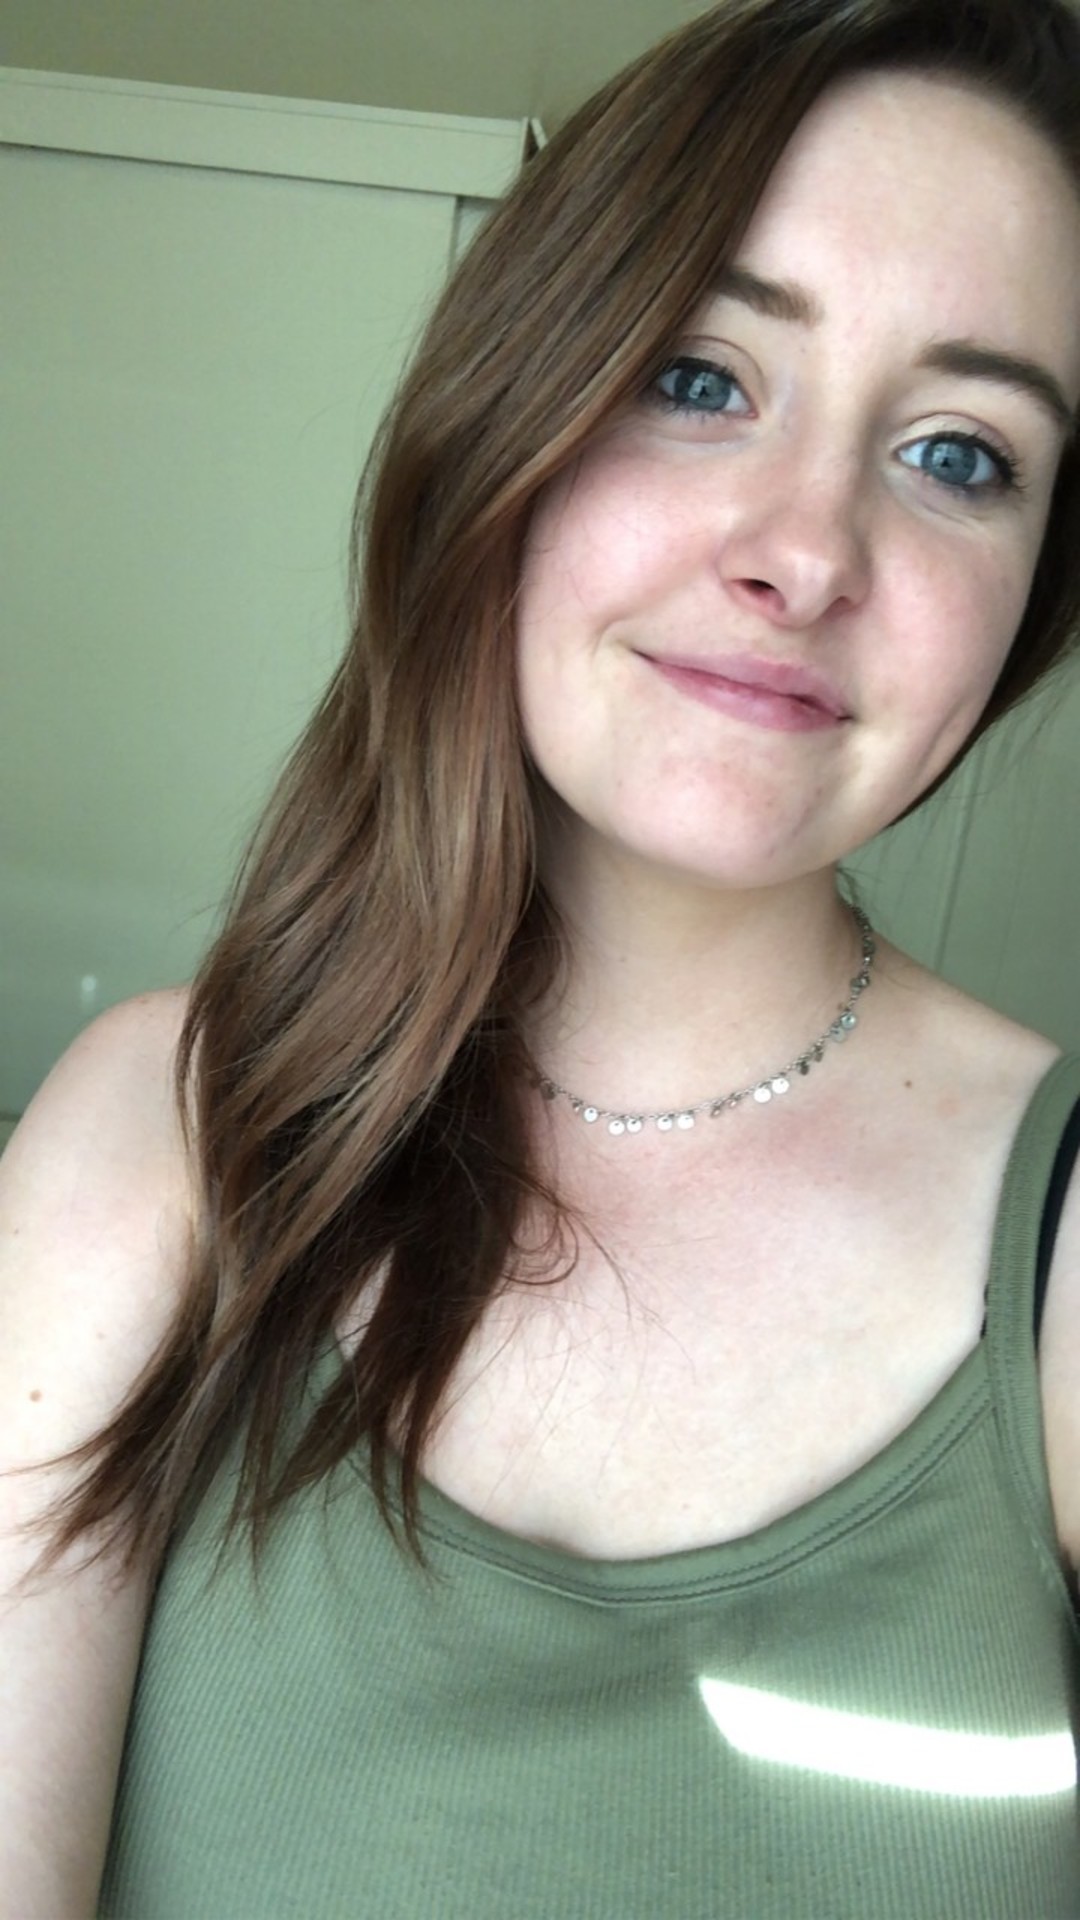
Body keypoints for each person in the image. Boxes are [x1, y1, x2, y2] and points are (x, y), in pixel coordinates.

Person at [5, 0, 1080, 1912]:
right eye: (699, 375)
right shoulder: (157, 1134)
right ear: (513, 405)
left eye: (957, 453)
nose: (806, 551)